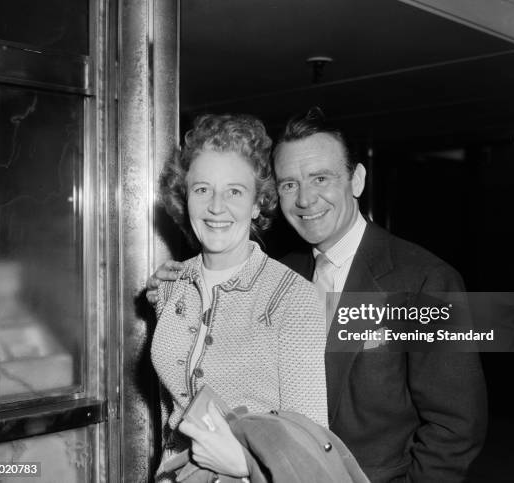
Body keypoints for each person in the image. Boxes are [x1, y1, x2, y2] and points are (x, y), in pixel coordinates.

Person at [148, 108, 488, 482]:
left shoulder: (423, 282)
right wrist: (168, 291)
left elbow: (456, 427)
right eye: (290, 184)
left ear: (356, 180)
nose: (305, 199)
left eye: (320, 178)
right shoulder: (283, 273)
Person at [151, 114, 328, 481]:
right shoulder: (170, 287)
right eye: (202, 189)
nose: (216, 206)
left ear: (258, 203)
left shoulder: (292, 299)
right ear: (185, 197)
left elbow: (311, 454)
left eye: (234, 191)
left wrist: (244, 465)